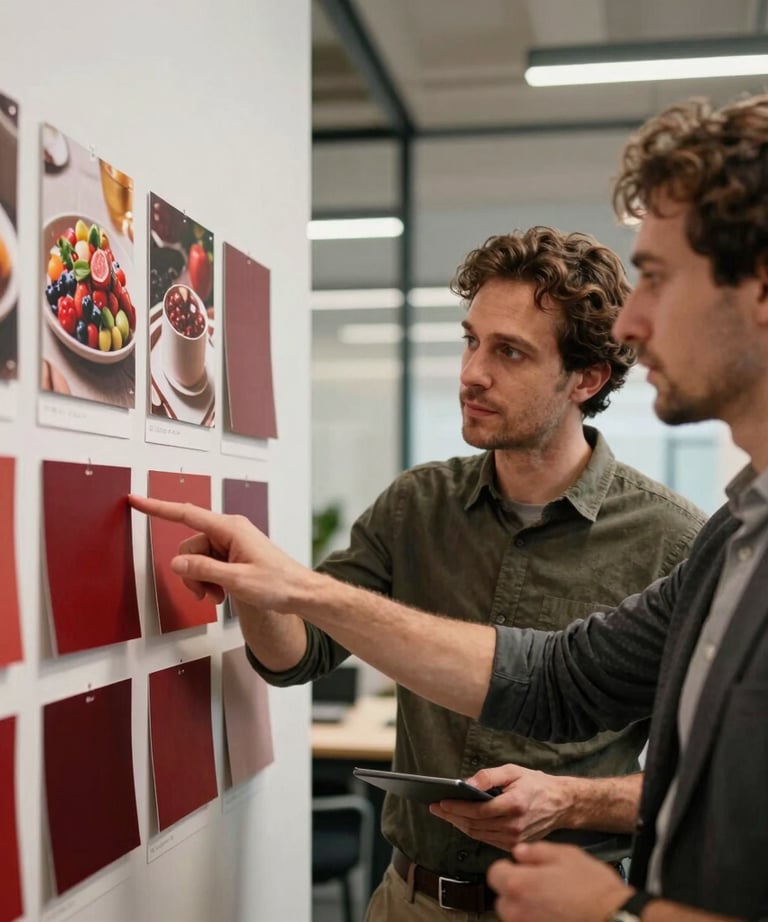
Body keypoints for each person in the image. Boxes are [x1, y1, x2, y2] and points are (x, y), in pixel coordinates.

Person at [130, 92, 768, 922]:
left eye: (508, 352)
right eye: (471, 341)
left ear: (586, 380)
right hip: (416, 895)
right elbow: (551, 677)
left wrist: (591, 849)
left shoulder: (679, 535)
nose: (472, 373)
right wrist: (281, 589)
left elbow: (689, 781)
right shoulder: (733, 538)